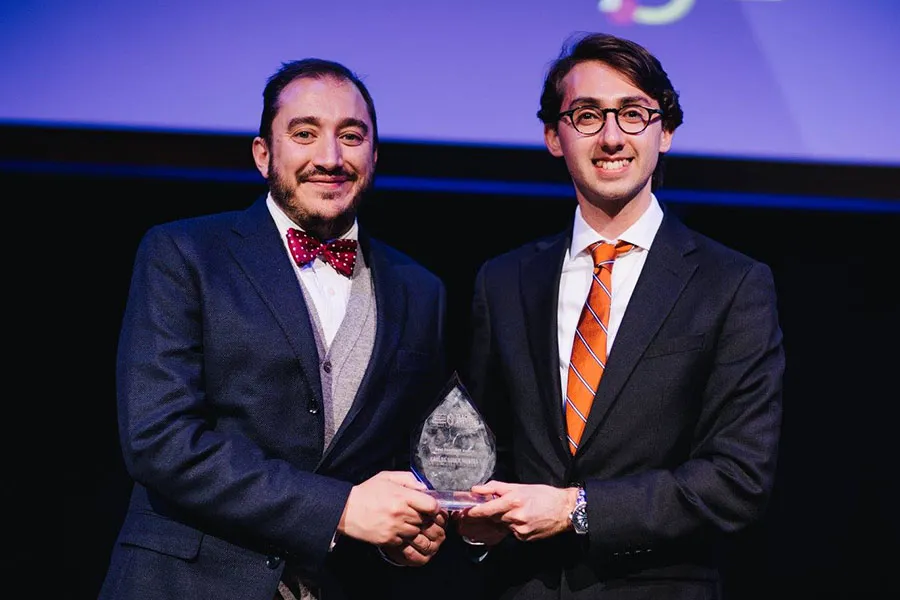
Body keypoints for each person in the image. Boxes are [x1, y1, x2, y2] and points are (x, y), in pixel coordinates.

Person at [98, 58, 456, 600]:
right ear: (264, 154)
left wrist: (406, 530)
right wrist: (338, 510)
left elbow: (399, 459)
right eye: (305, 133)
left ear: (375, 155)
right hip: (185, 584)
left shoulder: (420, 290)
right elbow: (161, 440)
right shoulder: (185, 254)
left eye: (351, 136)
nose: (330, 158)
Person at [455, 32, 785, 599]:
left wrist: (576, 510)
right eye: (586, 115)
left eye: (633, 114)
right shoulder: (503, 281)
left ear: (667, 132)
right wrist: (474, 519)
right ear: (553, 137)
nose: (611, 137)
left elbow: (738, 479)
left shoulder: (731, 285)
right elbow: (485, 448)